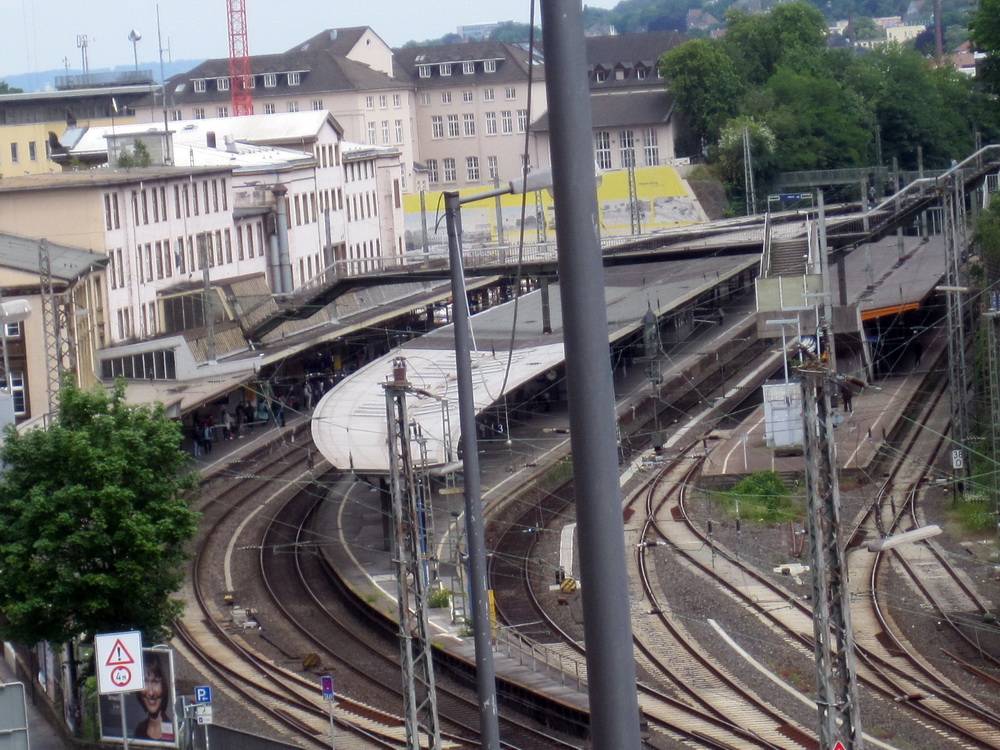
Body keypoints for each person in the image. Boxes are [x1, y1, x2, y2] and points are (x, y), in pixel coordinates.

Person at [133, 653, 174, 742]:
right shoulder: (139, 730)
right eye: (145, 682)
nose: (151, 693)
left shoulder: (175, 730)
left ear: (163, 687)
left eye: (155, 682)